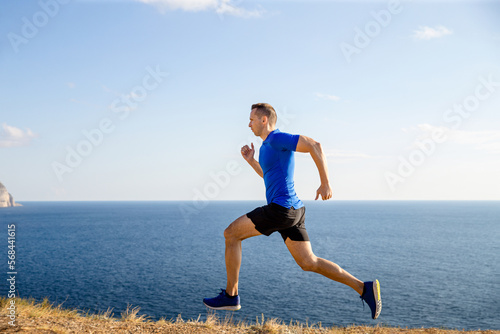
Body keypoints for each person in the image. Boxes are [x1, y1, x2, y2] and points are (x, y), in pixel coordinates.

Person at [203, 103, 382, 319]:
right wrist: (251, 161)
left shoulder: (277, 139)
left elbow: (314, 145)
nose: (248, 124)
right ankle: (364, 288)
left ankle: (231, 296)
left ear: (263, 120)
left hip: (281, 210)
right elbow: (269, 176)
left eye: (251, 119)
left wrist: (325, 183)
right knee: (309, 262)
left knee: (231, 234)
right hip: (294, 211)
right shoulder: (266, 146)